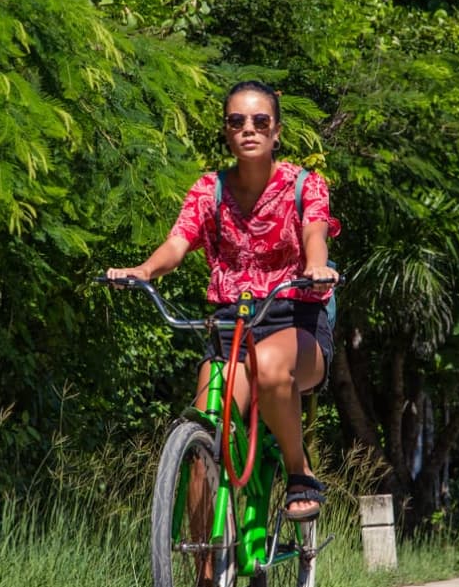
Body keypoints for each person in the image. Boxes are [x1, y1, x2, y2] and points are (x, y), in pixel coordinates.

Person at [106, 80, 340, 522]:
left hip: (296, 317)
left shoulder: (304, 185)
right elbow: (178, 243)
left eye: (259, 121)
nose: (248, 129)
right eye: (237, 121)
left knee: (270, 367)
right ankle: (204, 582)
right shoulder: (208, 190)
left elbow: (315, 232)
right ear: (226, 131)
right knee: (204, 434)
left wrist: (315, 267)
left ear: (276, 131)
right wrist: (144, 270)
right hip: (231, 324)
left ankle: (299, 472)